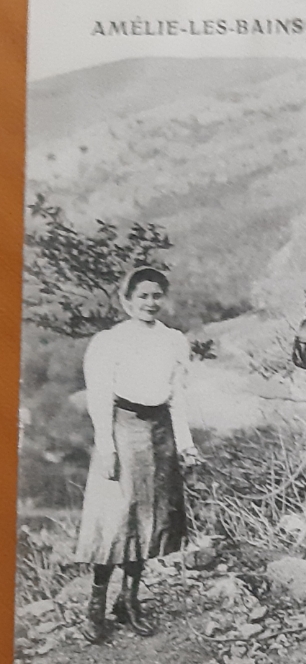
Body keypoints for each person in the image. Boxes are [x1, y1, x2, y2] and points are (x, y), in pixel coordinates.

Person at [73, 266, 202, 644]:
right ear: (126, 301)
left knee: (149, 519)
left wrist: (187, 446)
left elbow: (178, 398)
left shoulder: (174, 340)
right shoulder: (108, 341)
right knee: (116, 519)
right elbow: (99, 398)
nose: (150, 302)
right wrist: (107, 447)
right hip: (122, 430)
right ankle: (96, 605)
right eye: (142, 296)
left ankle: (129, 602)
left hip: (160, 434)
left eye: (156, 295)